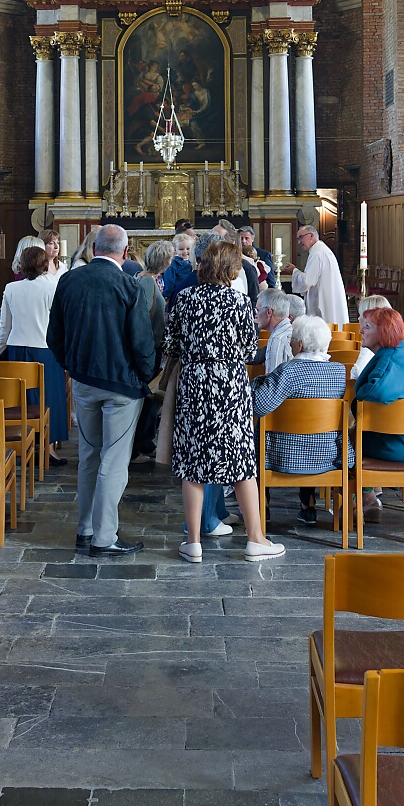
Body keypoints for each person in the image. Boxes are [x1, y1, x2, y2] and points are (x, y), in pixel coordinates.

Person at [165, 238, 286, 564]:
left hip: (194, 385)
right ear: (232, 269)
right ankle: (255, 540)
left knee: (193, 464)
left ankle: (193, 542)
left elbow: (171, 344)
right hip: (231, 386)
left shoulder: (185, 299)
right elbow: (248, 350)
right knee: (242, 463)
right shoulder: (240, 303)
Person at [47, 223, 156, 556]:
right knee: (114, 460)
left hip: (83, 381)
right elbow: (142, 342)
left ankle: (86, 528)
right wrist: (145, 376)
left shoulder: (69, 280)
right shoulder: (128, 285)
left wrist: (72, 365)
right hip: (121, 385)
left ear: (94, 249)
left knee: (89, 455)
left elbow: (54, 336)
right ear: (125, 252)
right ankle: (104, 537)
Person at [251, 316, 349, 527]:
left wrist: (259, 381)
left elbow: (259, 406)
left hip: (283, 456)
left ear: (300, 345)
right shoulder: (339, 371)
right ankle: (308, 506)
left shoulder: (288, 371)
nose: (290, 344)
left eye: (292, 340)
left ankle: (262, 506)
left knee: (262, 436)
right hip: (327, 454)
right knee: (311, 434)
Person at [0, 244, 68, 466]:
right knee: (49, 399)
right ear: (44, 264)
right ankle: (48, 449)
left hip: (16, 348)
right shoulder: (52, 287)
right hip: (45, 349)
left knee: (21, 400)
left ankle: (24, 446)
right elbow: (60, 325)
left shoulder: (11, 288)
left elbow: (4, 325)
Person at [353, 306, 404, 464]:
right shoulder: (403, 356)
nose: (361, 331)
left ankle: (351, 480)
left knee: (341, 439)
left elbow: (370, 394)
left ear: (383, 332)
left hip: (399, 447)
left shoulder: (389, 360)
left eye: (367, 327)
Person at [134, 241, 174, 459]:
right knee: (149, 396)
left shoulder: (148, 279)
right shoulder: (148, 282)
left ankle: (144, 441)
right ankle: (142, 443)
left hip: (152, 345)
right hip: (149, 347)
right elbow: (143, 316)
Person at [292, 225, 350, 325]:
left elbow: (307, 281)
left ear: (311, 235)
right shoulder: (321, 250)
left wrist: (294, 271)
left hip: (323, 303)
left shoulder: (317, 254)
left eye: (301, 237)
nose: (299, 242)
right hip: (328, 299)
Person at [350, 294, 391, 378]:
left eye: (360, 315)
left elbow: (358, 373)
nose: (358, 319)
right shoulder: (396, 342)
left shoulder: (371, 343)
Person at [257, 288, 294, 375]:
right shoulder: (292, 330)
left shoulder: (277, 339)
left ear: (269, 312)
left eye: (258, 310)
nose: (256, 315)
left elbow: (273, 380)